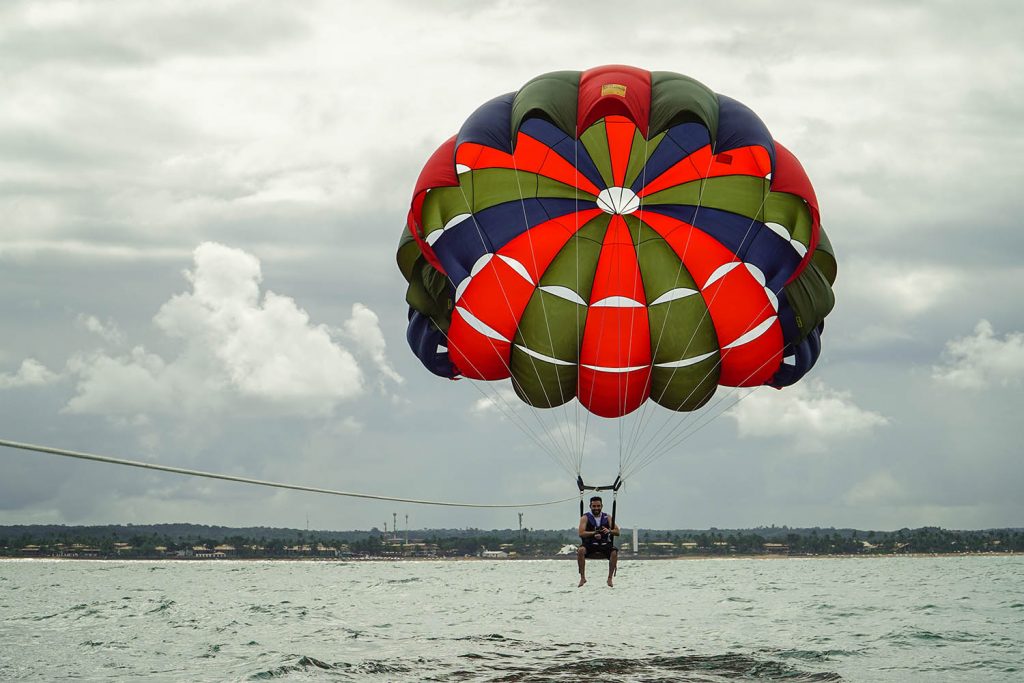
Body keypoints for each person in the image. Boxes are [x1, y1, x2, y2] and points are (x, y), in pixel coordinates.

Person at [577, 495, 619, 587]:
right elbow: (581, 533)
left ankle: (609, 578)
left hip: (604, 544)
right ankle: (583, 577)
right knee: (580, 550)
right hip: (590, 544)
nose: (596, 508)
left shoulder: (607, 517)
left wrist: (609, 531)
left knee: (614, 552)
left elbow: (617, 531)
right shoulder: (585, 517)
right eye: (594, 506)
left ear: (601, 506)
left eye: (598, 506)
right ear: (590, 506)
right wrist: (593, 533)